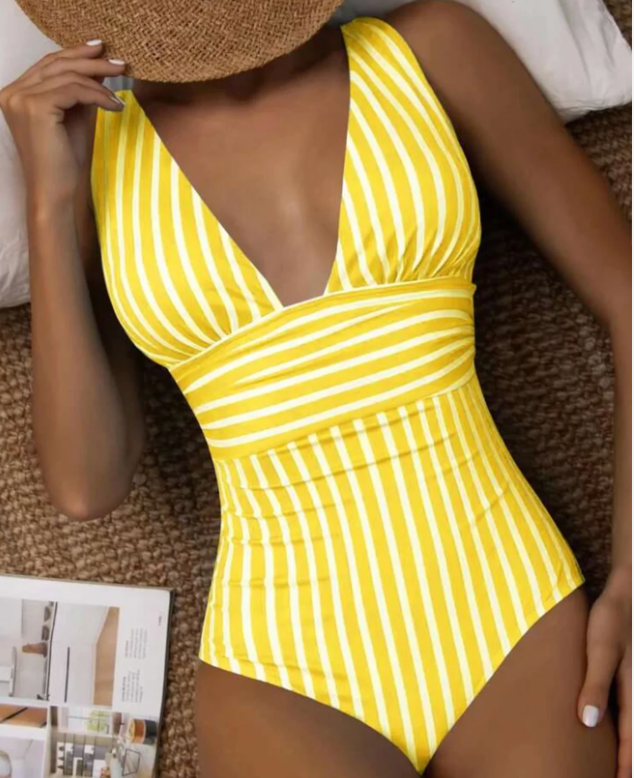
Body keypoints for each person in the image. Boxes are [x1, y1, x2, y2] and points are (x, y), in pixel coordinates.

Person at [1, 2, 631, 776]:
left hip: (511, 609)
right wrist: (46, 199)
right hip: (280, 664)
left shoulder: (433, 45)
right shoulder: (93, 141)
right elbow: (87, 484)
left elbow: (627, 297)